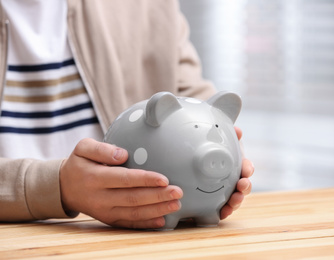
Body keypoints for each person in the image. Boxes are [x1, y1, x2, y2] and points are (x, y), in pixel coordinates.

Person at [0, 0, 254, 229]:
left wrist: (227, 152)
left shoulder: (149, 5)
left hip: (143, 235)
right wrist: (55, 186)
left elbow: (190, 94)